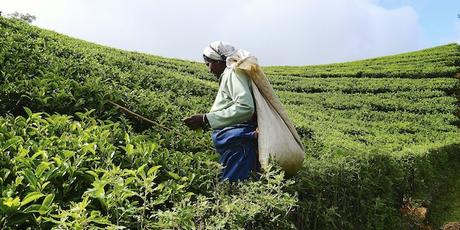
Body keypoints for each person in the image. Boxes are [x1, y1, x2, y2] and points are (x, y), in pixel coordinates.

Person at [183, 41, 258, 182]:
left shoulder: (232, 73)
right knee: (230, 184)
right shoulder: (230, 74)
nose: (209, 70)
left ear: (217, 61)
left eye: (208, 64)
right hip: (234, 142)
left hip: (238, 141)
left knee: (234, 187)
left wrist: (205, 118)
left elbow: (245, 107)